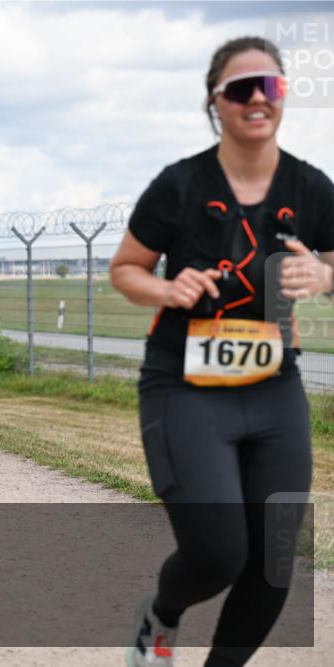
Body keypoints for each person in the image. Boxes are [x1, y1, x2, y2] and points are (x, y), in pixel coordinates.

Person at [110, 36, 334, 667]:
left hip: (272, 387)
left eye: (271, 86)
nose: (258, 99)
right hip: (184, 386)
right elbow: (126, 268)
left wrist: (321, 275)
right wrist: (166, 285)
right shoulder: (179, 185)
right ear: (216, 103)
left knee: (272, 565)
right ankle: (162, 616)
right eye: (242, 89)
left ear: (284, 95)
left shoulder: (311, 188)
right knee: (217, 555)